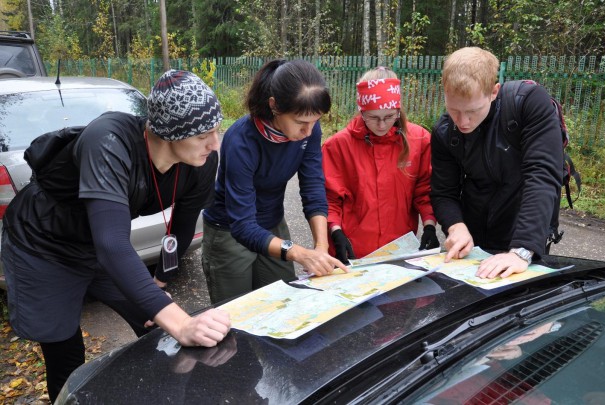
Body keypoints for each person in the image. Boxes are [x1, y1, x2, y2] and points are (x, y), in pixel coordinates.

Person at [1, 70, 231, 402]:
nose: (215, 144)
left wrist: (161, 284)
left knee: (153, 322)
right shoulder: (108, 141)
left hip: (94, 244)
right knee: (65, 347)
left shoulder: (201, 161)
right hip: (43, 245)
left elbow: (180, 228)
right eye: (203, 134)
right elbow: (112, 244)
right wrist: (182, 322)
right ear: (168, 133)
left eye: (216, 130)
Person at [202, 59, 348, 304]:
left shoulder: (309, 128)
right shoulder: (241, 140)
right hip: (229, 230)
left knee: (282, 303)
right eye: (301, 123)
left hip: (272, 223)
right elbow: (243, 226)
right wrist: (301, 254)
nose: (309, 132)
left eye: (316, 121)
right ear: (274, 106)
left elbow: (312, 186)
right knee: (238, 312)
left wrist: (321, 247)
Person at [430, 47, 564, 279]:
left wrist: (522, 251)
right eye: (453, 110)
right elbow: (444, 192)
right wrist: (455, 225)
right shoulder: (444, 132)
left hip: (525, 225)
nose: (462, 122)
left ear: (494, 92)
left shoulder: (528, 104)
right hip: (477, 232)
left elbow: (542, 175)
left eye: (472, 111)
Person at [322, 66, 439, 263]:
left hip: (399, 249)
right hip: (353, 251)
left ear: (398, 110)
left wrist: (429, 225)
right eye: (373, 118)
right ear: (361, 111)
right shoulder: (338, 146)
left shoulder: (419, 140)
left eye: (389, 116)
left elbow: (425, 191)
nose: (382, 125)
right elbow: (330, 199)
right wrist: (335, 232)